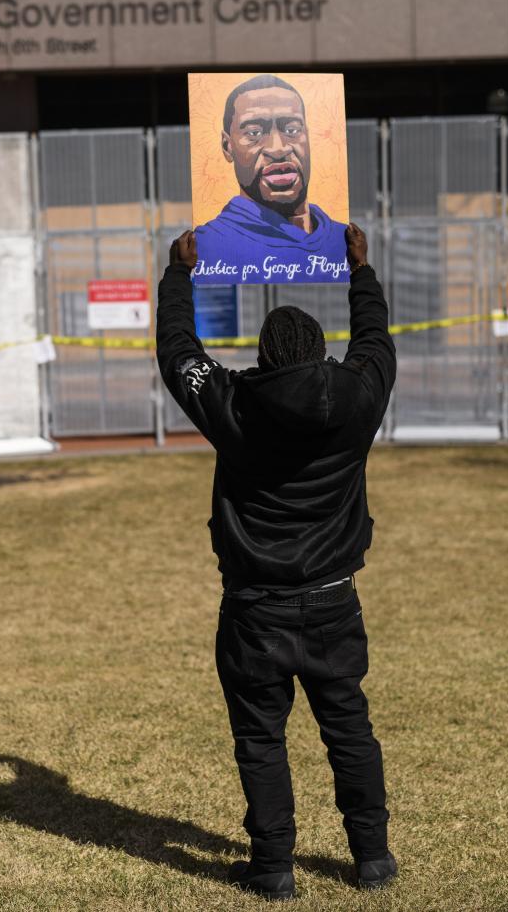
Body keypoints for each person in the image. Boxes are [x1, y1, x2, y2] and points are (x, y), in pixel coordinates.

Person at [156, 224, 397, 901]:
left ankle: (274, 868)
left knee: (261, 742)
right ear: (320, 354)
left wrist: (180, 275)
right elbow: (376, 344)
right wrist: (361, 272)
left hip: (254, 608)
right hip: (332, 600)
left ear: (263, 357)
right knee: (349, 728)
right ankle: (372, 857)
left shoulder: (234, 404)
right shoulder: (357, 400)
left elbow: (178, 354)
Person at [193, 74, 348, 285]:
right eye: (254, 132)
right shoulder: (207, 245)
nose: (278, 148)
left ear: (308, 137)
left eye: (292, 130)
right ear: (227, 146)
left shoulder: (344, 241)